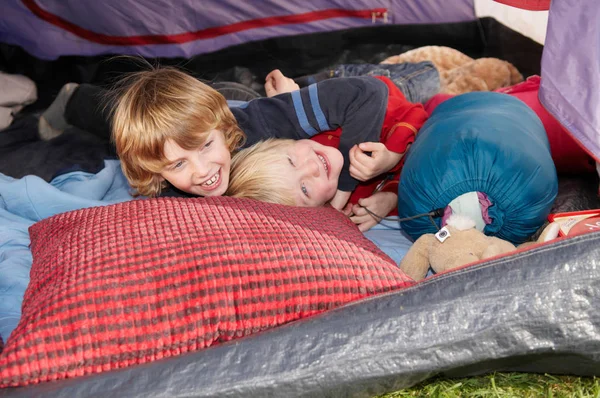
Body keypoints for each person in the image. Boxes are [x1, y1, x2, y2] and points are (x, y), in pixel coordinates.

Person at [37, 63, 433, 208]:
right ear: (156, 174)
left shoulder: (264, 123)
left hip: (245, 105)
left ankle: (301, 87)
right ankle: (75, 98)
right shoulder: (161, 185)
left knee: (426, 78)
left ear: (220, 131)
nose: (203, 171)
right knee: (119, 119)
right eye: (177, 164)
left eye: (205, 147)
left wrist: (346, 187)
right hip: (210, 117)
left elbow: (366, 92)